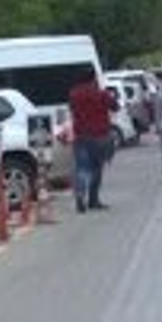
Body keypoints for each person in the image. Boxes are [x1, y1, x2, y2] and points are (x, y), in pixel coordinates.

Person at [67, 63, 117, 213]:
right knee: (96, 168)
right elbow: (115, 106)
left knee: (82, 168)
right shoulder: (101, 94)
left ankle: (80, 196)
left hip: (81, 136)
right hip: (100, 136)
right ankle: (93, 200)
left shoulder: (73, 94)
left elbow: (72, 110)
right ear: (93, 78)